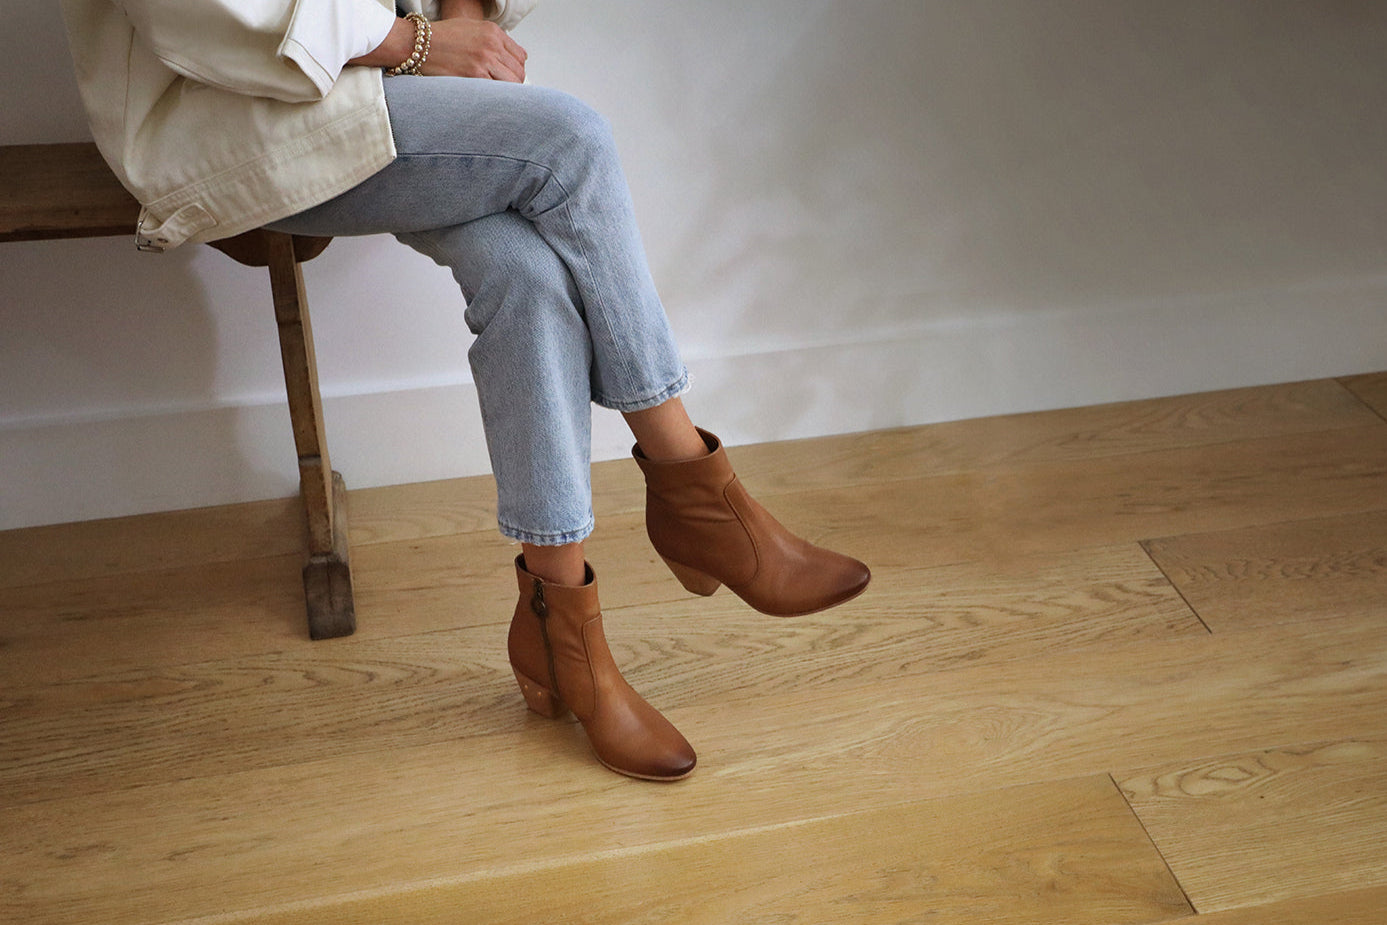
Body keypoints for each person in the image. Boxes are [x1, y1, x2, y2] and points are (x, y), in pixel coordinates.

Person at [60, 0, 871, 781]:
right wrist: (408, 42)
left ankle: (562, 631)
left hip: (372, 84)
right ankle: (692, 486)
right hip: (228, 112)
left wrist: (464, 20)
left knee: (525, 271)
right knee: (570, 141)